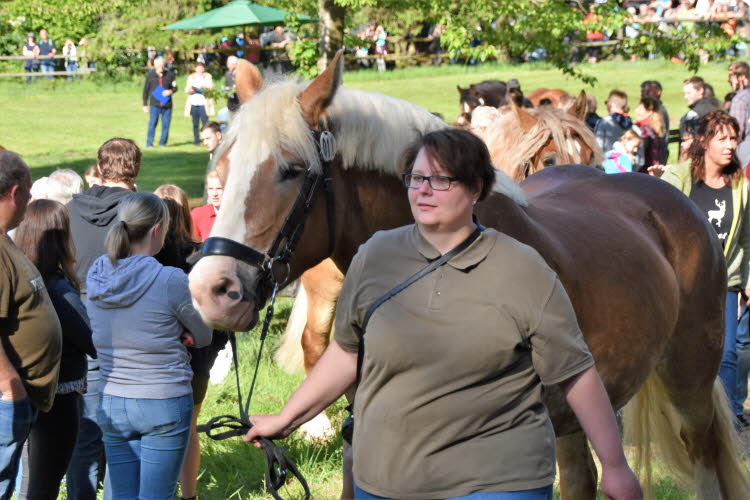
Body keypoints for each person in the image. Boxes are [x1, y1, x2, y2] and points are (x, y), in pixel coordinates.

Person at [244, 129, 642, 500]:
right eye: (416, 179)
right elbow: (347, 353)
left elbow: (574, 370)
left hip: (497, 482)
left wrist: (614, 464)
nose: (423, 191)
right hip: (385, 480)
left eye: (441, 180)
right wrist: (286, 418)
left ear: (477, 190)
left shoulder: (523, 268)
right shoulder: (375, 256)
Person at [87, 192, 212, 500]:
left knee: (121, 494)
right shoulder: (169, 279)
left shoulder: (97, 272)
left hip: (114, 396)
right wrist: (183, 334)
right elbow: (204, 335)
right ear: (157, 230)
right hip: (163, 398)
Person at [650, 110, 750, 429]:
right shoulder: (678, 178)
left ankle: (730, 417)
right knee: (680, 350)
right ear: (704, 141)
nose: (730, 145)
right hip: (682, 280)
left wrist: (748, 279)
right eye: (722, 138)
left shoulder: (740, 185)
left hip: (725, 280)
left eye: (733, 138)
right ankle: (678, 415)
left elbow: (747, 236)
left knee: (727, 351)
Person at [65, 138, 141, 500]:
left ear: (100, 166)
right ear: (135, 168)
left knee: (88, 431)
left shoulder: (70, 208)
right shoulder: (140, 209)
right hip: (129, 330)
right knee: (125, 434)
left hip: (82, 325)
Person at [13, 200, 96, 500]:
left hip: (22, 390)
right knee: (44, 484)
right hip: (58, 395)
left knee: (27, 481)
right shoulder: (58, 289)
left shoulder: (20, 281)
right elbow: (92, 340)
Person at [152, 185, 229, 500]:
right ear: (186, 213)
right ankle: (189, 495)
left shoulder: (146, 258)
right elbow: (218, 318)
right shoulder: (202, 256)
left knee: (157, 433)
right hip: (197, 358)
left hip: (155, 359)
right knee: (189, 430)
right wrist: (210, 353)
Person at [0, 150, 62, 500]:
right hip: (7, 396)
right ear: (14, 192)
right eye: (27, 191)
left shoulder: (6, 239)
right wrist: (10, 385)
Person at [142, 56, 177, 148]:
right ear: (155, 66)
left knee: (166, 124)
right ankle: (149, 143)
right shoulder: (150, 76)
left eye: (162, 66)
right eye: (158, 66)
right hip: (155, 104)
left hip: (167, 105)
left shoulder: (170, 75)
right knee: (152, 123)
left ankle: (162, 143)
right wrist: (145, 104)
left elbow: (175, 87)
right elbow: (145, 90)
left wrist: (170, 91)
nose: (160, 68)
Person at [679, 76, 720, 144]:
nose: (686, 97)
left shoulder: (693, 114)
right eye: (685, 93)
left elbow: (686, 139)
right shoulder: (717, 108)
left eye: (689, 93)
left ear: (701, 91)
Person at [184, 62, 214, 146]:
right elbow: (187, 89)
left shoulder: (208, 76)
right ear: (195, 68)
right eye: (198, 68)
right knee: (195, 123)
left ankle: (207, 139)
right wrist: (191, 90)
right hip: (194, 102)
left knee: (205, 123)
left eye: (202, 68)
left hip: (203, 103)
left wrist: (203, 88)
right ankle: (196, 140)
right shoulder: (191, 77)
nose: (200, 70)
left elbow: (210, 88)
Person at [633, 96, 666, 171]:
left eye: (640, 109)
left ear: (649, 111)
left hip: (644, 171)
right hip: (655, 169)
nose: (636, 111)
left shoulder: (643, 129)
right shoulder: (655, 127)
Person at [640, 80, 669, 164]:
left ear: (658, 92)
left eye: (648, 91)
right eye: (642, 91)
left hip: (655, 156)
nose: (643, 94)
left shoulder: (658, 111)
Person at [595, 89, 633, 153]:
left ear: (610, 104)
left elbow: (598, 147)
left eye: (606, 103)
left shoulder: (604, 123)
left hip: (608, 161)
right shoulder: (633, 127)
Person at [191, 171, 223, 241]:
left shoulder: (237, 215)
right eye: (210, 189)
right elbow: (195, 243)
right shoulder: (198, 214)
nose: (214, 194)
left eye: (219, 188)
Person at [728, 62, 750, 167]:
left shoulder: (740, 99)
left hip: (745, 155)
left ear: (742, 77)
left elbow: (736, 131)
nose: (729, 80)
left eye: (732, 76)